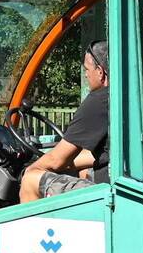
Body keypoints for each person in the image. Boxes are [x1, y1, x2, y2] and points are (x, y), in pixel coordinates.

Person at [19, 40, 113, 202]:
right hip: (125, 181)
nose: (85, 74)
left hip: (113, 194)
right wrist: (68, 163)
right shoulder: (142, 97)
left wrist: (31, 169)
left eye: (87, 69)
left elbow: (56, 160)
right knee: (82, 171)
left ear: (100, 72)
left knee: (30, 180)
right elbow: (106, 155)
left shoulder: (100, 101)